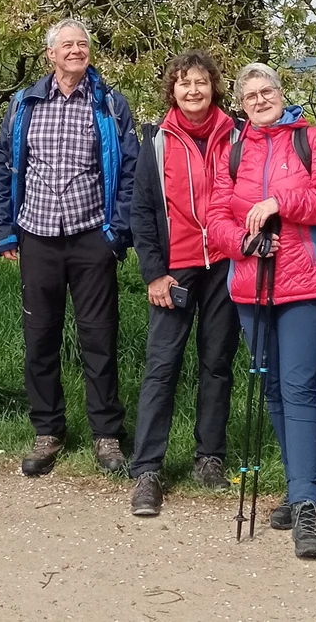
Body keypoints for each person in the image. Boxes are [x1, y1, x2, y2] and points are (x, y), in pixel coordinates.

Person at [204, 62, 316, 560]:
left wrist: (277, 204)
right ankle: (296, 486)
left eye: (268, 92)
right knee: (271, 389)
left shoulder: (311, 139)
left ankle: (306, 503)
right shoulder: (233, 148)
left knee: (298, 388)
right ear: (241, 104)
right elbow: (215, 217)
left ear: (282, 95)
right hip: (250, 284)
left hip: (305, 283)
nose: (260, 100)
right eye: (251, 96)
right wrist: (244, 242)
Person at [0, 18, 138, 479]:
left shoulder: (110, 104)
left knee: (99, 339)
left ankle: (106, 435)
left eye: (82, 44)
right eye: (66, 45)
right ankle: (48, 430)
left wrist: (118, 232)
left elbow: (130, 171)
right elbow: (3, 166)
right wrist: (4, 230)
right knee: (40, 338)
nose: (76, 51)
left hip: (91, 235)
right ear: (50, 54)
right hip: (37, 237)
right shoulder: (25, 103)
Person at [126, 50, 239, 517]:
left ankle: (208, 457)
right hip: (176, 267)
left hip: (224, 266)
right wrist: (153, 271)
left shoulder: (238, 135)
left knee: (217, 363)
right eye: (183, 83)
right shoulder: (156, 140)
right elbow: (141, 211)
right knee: (162, 366)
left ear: (214, 87)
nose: (193, 91)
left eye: (201, 82)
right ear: (171, 90)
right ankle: (147, 469)